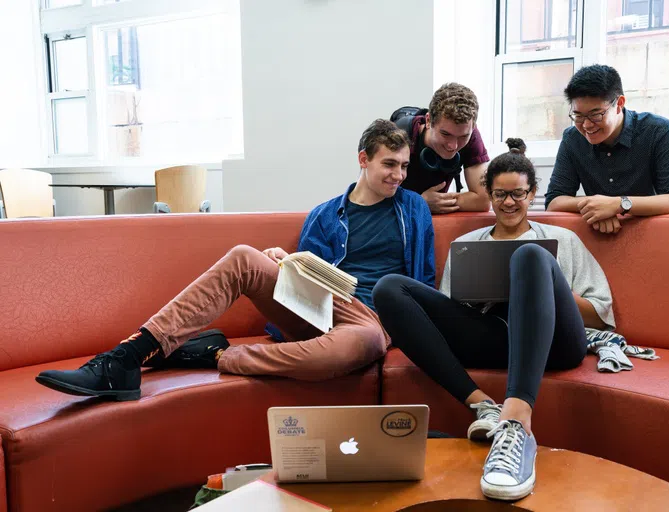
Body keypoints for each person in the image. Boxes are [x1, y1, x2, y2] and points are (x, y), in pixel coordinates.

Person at [36, 119, 435, 401]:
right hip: (322, 307)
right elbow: (313, 270)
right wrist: (287, 264)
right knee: (246, 256)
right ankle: (124, 357)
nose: (399, 175)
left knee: (361, 344)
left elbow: (424, 281)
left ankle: (216, 356)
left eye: (403, 166)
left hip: (374, 320)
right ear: (363, 159)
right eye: (389, 164)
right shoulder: (326, 214)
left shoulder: (414, 209)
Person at [372, 138, 615, 501]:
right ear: (489, 194)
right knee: (388, 288)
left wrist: (546, 288)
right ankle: (482, 404)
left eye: (518, 193)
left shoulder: (561, 239)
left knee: (529, 256)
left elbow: (601, 314)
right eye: (500, 194)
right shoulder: (470, 243)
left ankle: (516, 421)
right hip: (492, 335)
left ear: (532, 194)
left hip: (554, 344)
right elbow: (450, 313)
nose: (509, 203)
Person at [546, 64, 669, 235]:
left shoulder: (659, 131)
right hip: (597, 237)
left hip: (651, 233)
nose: (586, 125)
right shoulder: (572, 139)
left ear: (619, 104)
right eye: (578, 116)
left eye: (596, 115)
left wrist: (618, 205)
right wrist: (598, 207)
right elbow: (554, 202)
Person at [397, 83, 491, 214]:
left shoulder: (471, 134)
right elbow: (375, 197)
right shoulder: (400, 136)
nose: (453, 146)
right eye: (445, 134)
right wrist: (420, 202)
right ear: (428, 121)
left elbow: (483, 200)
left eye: (463, 136)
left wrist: (433, 203)